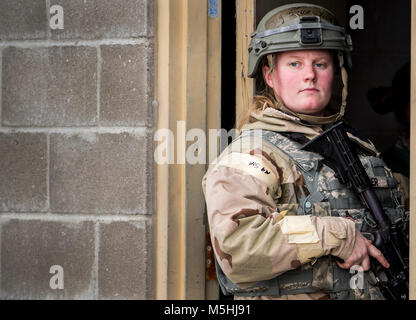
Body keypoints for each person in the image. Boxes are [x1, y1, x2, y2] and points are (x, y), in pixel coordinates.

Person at [202, 3, 408, 300]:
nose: (309, 75)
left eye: (320, 64)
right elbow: (238, 247)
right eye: (294, 64)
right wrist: (339, 235)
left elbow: (398, 201)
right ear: (270, 76)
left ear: (335, 73)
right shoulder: (252, 156)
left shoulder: (357, 147)